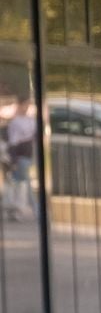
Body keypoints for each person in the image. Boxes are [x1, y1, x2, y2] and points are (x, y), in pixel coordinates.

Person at [4, 93, 36, 223]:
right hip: (20, 155)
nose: (27, 107)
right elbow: (13, 141)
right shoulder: (16, 122)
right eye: (26, 105)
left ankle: (15, 209)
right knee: (22, 182)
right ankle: (29, 208)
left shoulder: (30, 120)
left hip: (27, 154)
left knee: (18, 182)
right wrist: (13, 159)